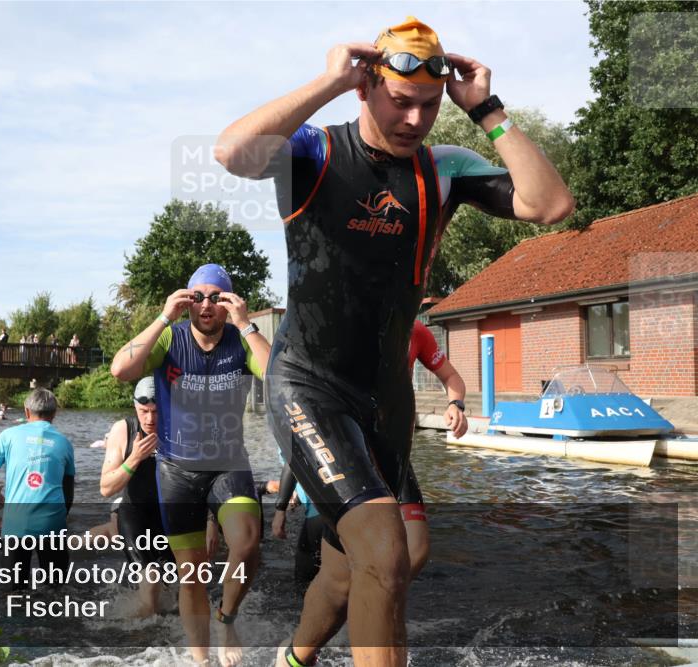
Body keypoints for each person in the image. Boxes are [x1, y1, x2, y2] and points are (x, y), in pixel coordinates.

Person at [215, 16, 573, 667]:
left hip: (384, 405)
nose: (414, 119)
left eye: (429, 106)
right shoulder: (313, 152)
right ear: (367, 88)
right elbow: (231, 152)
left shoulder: (445, 171)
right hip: (309, 388)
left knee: (355, 569)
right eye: (400, 101)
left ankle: (293, 659)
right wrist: (327, 80)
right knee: (387, 551)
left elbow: (549, 204)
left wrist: (486, 108)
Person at [110, 263, 271, 667]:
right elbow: (120, 370)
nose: (206, 305)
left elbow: (279, 376)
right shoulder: (171, 337)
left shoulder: (240, 340)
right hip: (177, 469)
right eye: (197, 296)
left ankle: (226, 617)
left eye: (216, 298)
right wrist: (164, 315)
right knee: (192, 575)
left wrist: (247, 324)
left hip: (227, 463)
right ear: (187, 302)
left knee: (248, 541)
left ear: (228, 303)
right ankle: (201, 661)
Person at [272, 320, 467, 584]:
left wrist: (456, 404)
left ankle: (374, 599)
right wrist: (281, 507)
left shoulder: (416, 330)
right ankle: (349, 602)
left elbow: (451, 376)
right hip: (348, 455)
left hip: (394, 450)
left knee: (417, 550)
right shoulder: (342, 322)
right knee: (334, 572)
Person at [0, 389, 75, 583]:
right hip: (52, 522)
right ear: (54, 413)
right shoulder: (64, 443)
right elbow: (68, 496)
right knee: (57, 590)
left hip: (16, 522)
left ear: (27, 411)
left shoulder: (8, 435)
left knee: (14, 591)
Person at [98, 377, 173, 617]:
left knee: (178, 591)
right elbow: (106, 488)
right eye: (144, 411)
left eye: (155, 411)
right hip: (134, 513)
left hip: (170, 515)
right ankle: (141, 638)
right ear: (135, 408)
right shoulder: (124, 429)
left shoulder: (180, 428)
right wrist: (135, 458)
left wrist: (211, 523)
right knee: (150, 581)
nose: (150, 419)